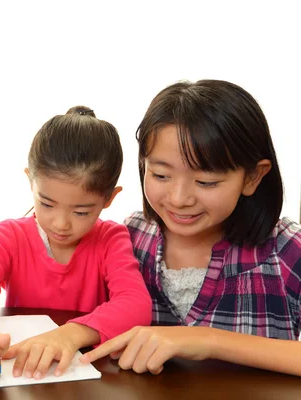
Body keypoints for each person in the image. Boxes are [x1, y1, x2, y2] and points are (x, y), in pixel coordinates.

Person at [81, 79, 301, 376]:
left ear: (252, 177)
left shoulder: (286, 249)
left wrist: (207, 339)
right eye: (160, 175)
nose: (179, 199)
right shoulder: (128, 237)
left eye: (206, 182)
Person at [0, 106, 152, 381]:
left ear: (109, 198)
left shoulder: (111, 239)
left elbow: (136, 304)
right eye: (46, 203)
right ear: (30, 180)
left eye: (81, 212)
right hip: (23, 375)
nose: (61, 224)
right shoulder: (11, 236)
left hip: (85, 376)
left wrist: (69, 335)